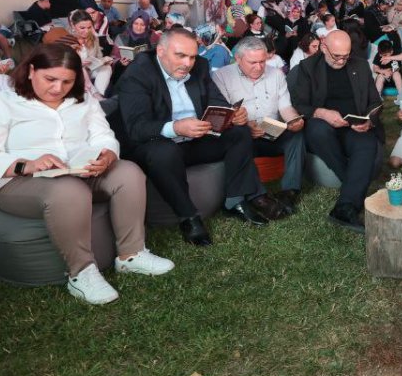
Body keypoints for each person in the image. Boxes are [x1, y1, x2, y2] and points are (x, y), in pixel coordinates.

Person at [0, 44, 174, 305]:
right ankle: (81, 273)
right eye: (50, 79)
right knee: (68, 191)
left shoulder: (83, 102)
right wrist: (25, 164)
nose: (57, 88)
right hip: (20, 182)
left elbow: (102, 136)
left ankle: (131, 255)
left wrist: (106, 154)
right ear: (31, 71)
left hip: (80, 171)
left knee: (129, 172)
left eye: (67, 81)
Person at [113, 26, 288, 246]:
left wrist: (231, 114)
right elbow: (137, 128)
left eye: (192, 57)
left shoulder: (200, 67)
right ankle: (189, 217)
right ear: (160, 51)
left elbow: (216, 101)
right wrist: (175, 127)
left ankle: (235, 200)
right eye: (181, 56)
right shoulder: (138, 73)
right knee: (164, 152)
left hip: (194, 138)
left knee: (239, 133)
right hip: (155, 142)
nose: (187, 63)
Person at [290, 30, 384, 233]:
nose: (342, 61)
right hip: (323, 124)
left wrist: (369, 120)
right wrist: (321, 112)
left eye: (346, 55)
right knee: (316, 130)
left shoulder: (359, 65)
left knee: (367, 142)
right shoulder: (308, 67)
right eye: (337, 56)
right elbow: (299, 104)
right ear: (324, 48)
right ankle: (354, 183)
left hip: (353, 124)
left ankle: (344, 208)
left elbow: (375, 102)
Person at [213, 37, 307, 211]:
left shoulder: (276, 74)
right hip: (242, 135)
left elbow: (285, 106)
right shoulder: (222, 76)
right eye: (252, 62)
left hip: (271, 131)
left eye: (263, 61)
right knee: (241, 137)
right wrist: (247, 126)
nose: (259, 67)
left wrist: (294, 119)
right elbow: (225, 114)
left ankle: (290, 191)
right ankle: (258, 195)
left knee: (297, 135)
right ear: (238, 59)